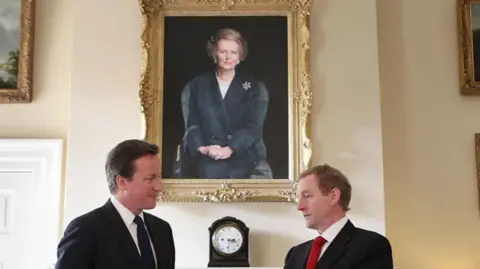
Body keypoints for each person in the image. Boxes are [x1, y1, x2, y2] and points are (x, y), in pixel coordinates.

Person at [55, 139, 175, 269]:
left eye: (159, 177)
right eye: (150, 179)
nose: (159, 186)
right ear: (122, 182)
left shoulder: (162, 230)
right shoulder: (85, 230)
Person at [179, 27, 270, 179]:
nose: (228, 57)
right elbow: (192, 123)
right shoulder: (196, 85)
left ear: (240, 56)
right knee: (209, 172)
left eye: (233, 52)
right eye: (223, 52)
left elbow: (253, 126)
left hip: (243, 153)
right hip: (209, 155)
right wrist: (203, 148)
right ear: (215, 54)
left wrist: (230, 149)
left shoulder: (255, 88)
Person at [284, 164, 393, 269]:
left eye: (307, 196)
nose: (300, 207)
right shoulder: (295, 254)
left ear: (334, 196)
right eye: (299, 198)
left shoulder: (371, 246)